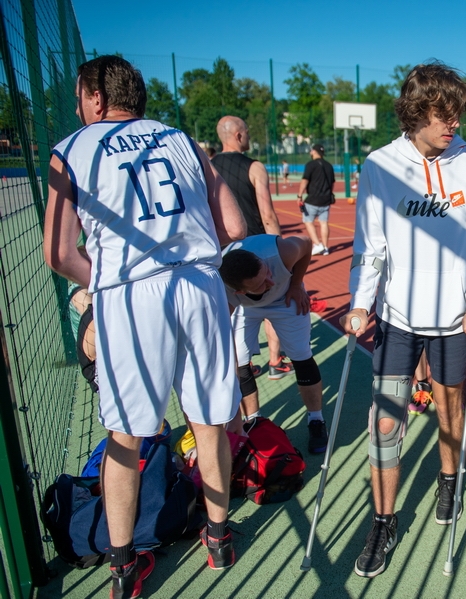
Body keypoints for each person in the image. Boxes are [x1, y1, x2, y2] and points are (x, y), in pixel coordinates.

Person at [42, 56, 246, 598]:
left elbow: (58, 253)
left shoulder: (73, 149)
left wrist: (105, 278)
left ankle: (123, 566)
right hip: (199, 286)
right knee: (207, 420)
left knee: (126, 436)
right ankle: (219, 537)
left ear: (95, 97)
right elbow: (235, 226)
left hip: (131, 298)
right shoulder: (182, 139)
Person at [341, 62, 466, 578]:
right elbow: (370, 246)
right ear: (415, 111)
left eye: (457, 113)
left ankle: (449, 478)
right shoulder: (379, 165)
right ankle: (383, 520)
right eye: (441, 112)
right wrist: (361, 302)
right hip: (397, 318)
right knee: (386, 421)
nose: (452, 122)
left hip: (457, 319)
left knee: (451, 410)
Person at [218, 234, 328, 454]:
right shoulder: (222, 288)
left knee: (301, 356)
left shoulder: (282, 252)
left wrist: (296, 284)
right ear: (239, 291)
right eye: (261, 283)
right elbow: (220, 332)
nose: (271, 281)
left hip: (286, 298)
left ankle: (316, 420)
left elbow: (306, 244)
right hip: (245, 308)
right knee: (238, 361)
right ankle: (253, 422)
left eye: (266, 273)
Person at [212, 116, 293, 380]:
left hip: (222, 254)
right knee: (271, 302)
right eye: (246, 131)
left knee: (231, 314)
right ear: (237, 135)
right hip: (256, 247)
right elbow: (267, 214)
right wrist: (280, 252)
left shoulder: (207, 168)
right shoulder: (254, 167)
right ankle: (274, 361)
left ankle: (239, 368)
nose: (248, 136)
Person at [297, 143, 336, 255]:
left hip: (313, 199)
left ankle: (318, 244)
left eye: (311, 151)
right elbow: (332, 183)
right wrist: (329, 194)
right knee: (324, 222)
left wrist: (299, 195)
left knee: (308, 221)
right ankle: (325, 247)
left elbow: (305, 180)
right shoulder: (329, 165)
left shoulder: (310, 165)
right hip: (326, 199)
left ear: (314, 151)